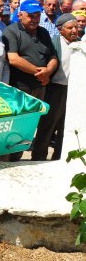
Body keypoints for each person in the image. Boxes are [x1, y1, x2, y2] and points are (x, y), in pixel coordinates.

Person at [0, 0, 59, 162]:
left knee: (29, 125)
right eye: (31, 16)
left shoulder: (43, 32)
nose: (34, 19)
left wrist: (48, 71)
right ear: (20, 15)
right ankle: (5, 161)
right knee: (14, 126)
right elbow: (13, 59)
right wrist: (39, 73)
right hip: (19, 88)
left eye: (37, 15)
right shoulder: (12, 31)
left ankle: (17, 158)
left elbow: (53, 57)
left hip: (40, 87)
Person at [31, 13, 78, 161]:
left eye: (76, 27)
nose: (74, 30)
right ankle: (39, 156)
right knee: (48, 125)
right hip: (55, 89)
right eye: (70, 27)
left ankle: (60, 156)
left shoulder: (79, 45)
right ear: (60, 29)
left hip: (73, 91)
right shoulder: (54, 44)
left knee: (66, 125)